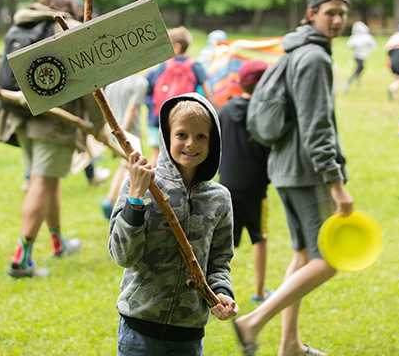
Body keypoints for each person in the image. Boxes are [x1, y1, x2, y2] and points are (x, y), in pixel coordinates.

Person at [233, 0, 353, 356]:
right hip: (305, 172)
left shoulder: (295, 50)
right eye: (329, 12)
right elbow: (317, 126)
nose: (337, 20)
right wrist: (336, 185)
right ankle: (252, 322)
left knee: (302, 255)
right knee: (329, 259)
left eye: (342, 13)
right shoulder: (314, 57)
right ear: (311, 13)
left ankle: (290, 346)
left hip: (284, 169)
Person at [0, 0, 106, 278]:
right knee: (41, 181)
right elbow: (90, 83)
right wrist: (100, 124)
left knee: (49, 183)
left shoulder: (21, 25)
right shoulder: (66, 28)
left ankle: (58, 242)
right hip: (55, 122)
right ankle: (21, 259)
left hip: (21, 118)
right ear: (70, 5)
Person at [109, 93, 238, 356]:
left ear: (213, 142)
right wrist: (135, 198)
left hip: (188, 335)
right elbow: (123, 256)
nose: (191, 143)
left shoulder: (220, 198)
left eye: (201, 136)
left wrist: (221, 292)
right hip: (139, 329)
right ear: (166, 137)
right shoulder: (142, 185)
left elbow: (220, 260)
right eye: (181, 135)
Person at [218, 60, 272, 303]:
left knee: (224, 243)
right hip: (255, 188)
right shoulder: (263, 113)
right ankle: (260, 291)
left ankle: (215, 289)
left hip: (226, 186)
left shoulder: (226, 110)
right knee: (260, 237)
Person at [144, 26, 217, 167]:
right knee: (182, 155)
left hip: (157, 117)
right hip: (184, 120)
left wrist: (150, 104)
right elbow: (208, 93)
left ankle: (153, 185)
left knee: (156, 154)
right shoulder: (195, 66)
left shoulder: (162, 66)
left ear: (176, 47)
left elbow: (147, 87)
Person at [100, 73, 149, 219]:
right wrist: (123, 135)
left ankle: (109, 200)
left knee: (124, 167)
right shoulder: (140, 82)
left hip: (115, 131)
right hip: (129, 135)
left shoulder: (112, 82)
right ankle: (123, 207)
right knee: (131, 173)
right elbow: (131, 109)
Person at [343, 21, 377, 93]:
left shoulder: (361, 37)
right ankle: (348, 82)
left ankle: (357, 81)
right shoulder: (360, 37)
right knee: (359, 68)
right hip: (358, 56)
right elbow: (349, 45)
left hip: (360, 56)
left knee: (361, 68)